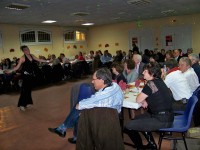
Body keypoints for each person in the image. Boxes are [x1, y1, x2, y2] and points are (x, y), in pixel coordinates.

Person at [48, 68, 124, 144]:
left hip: (103, 120)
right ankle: (71, 134)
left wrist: (82, 104)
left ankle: (64, 129)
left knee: (80, 111)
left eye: (94, 79)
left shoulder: (100, 97)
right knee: (81, 110)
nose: (92, 81)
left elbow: (79, 106)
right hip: (114, 116)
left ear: (102, 80)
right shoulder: (115, 86)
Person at [124, 62, 174, 150]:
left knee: (128, 126)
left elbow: (138, 99)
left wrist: (143, 99)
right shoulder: (159, 81)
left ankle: (140, 147)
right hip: (167, 115)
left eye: (145, 71)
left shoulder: (151, 84)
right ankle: (152, 144)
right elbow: (153, 94)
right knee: (137, 119)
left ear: (152, 73)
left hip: (161, 119)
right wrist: (144, 99)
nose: (143, 73)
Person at [4, 45, 49, 111]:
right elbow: (17, 67)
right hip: (25, 76)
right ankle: (22, 105)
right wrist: (10, 70)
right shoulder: (22, 58)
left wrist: (47, 61)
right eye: (26, 50)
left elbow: (39, 59)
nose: (28, 50)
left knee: (29, 90)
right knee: (24, 90)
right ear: (23, 51)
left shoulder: (32, 55)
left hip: (31, 76)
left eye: (28, 49)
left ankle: (28, 103)